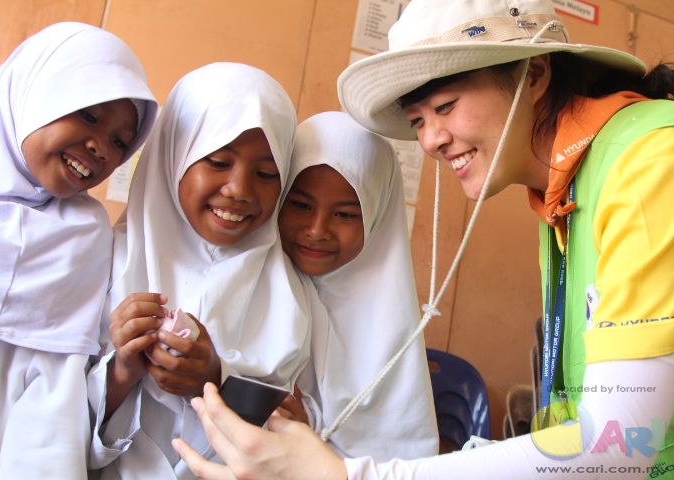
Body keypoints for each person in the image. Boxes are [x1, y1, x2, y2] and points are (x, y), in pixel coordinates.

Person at [172, 0, 674, 478]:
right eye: (418, 121)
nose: (431, 140)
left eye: (447, 106)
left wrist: (343, 474)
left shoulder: (651, 165)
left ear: (534, 74)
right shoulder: (565, 197)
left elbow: (620, 443)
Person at [87, 62, 312, 479]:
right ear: (174, 154)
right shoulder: (104, 261)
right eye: (217, 161)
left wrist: (215, 381)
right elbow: (50, 426)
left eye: (266, 173)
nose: (240, 189)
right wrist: (121, 371)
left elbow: (286, 441)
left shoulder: (288, 297)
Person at [0, 22, 157, 479]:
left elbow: (53, 397)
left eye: (121, 142)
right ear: (33, 93)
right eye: (88, 115)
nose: (100, 147)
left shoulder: (84, 239)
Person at [277, 111, 439, 460]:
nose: (317, 229)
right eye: (301, 204)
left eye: (346, 214)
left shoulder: (390, 337)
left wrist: (311, 442)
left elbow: (396, 454)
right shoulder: (256, 289)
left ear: (377, 215)